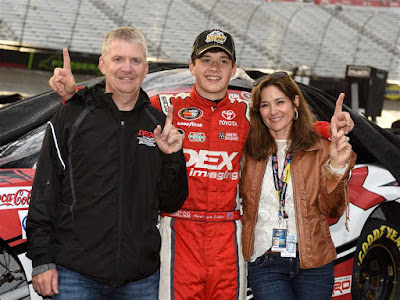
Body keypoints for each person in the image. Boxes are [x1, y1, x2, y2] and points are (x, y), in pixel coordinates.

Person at [49, 29, 354, 300]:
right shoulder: (165, 106)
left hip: (228, 231)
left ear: (234, 70)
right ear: (191, 66)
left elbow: (286, 122)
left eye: (223, 61)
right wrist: (72, 97)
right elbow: (118, 109)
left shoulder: (248, 111)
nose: (214, 68)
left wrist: (328, 129)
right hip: (179, 229)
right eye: (206, 60)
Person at [26, 26, 188, 299]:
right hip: (74, 275)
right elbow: (44, 192)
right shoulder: (72, 117)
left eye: (135, 61)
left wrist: (172, 157)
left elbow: (171, 201)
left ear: (146, 68)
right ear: (102, 64)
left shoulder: (159, 126)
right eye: (118, 59)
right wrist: (42, 259)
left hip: (140, 278)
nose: (127, 68)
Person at [240, 72, 357, 300]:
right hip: (265, 261)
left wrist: (337, 167)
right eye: (265, 105)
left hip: (313, 262)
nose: (273, 111)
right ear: (258, 111)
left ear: (295, 102)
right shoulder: (249, 151)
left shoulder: (322, 148)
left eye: (280, 102)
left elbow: (332, 209)